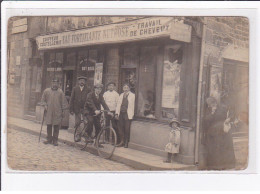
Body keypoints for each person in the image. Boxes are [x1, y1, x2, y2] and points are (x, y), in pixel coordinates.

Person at [204, 96, 236, 170]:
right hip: (213, 132)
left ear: (215, 103)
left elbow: (230, 115)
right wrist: (212, 113)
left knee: (225, 148)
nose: (212, 105)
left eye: (213, 103)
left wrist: (228, 119)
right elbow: (206, 121)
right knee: (215, 149)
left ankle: (226, 164)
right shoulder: (208, 110)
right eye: (210, 104)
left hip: (223, 130)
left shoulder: (223, 108)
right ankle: (216, 165)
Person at [41, 78, 68, 146]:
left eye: (56, 83)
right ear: (51, 83)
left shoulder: (60, 92)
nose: (54, 84)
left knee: (56, 126)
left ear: (58, 84)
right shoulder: (46, 91)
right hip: (49, 111)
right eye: (53, 83)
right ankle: (49, 139)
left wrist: (63, 111)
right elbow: (43, 100)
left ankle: (55, 140)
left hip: (57, 111)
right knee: (49, 125)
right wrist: (45, 105)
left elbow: (64, 102)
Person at [69, 76, 90, 141]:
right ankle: (78, 135)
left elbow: (90, 99)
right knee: (77, 122)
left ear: (85, 82)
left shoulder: (88, 89)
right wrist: (71, 109)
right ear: (78, 82)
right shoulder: (75, 89)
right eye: (80, 81)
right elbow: (71, 99)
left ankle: (85, 134)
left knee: (86, 122)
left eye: (83, 81)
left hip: (85, 109)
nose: (82, 82)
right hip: (77, 108)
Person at [115, 83, 135, 148]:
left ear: (129, 88)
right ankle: (122, 141)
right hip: (121, 113)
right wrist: (117, 113)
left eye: (127, 87)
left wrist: (132, 114)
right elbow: (118, 105)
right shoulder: (121, 95)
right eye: (124, 87)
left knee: (127, 128)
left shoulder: (133, 95)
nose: (125, 89)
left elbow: (133, 105)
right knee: (120, 128)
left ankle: (126, 142)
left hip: (127, 114)